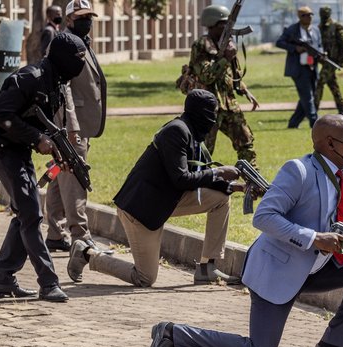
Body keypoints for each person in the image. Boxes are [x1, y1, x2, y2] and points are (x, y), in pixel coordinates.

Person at [148, 114, 343, 347]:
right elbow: (264, 217)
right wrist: (314, 238)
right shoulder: (298, 171)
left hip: (316, 269)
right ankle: (172, 334)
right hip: (277, 271)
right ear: (330, 143)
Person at [67, 89, 243, 287]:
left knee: (220, 199)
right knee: (145, 278)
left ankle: (207, 268)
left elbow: (196, 175)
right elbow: (182, 179)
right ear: (200, 114)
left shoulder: (191, 134)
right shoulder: (176, 131)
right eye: (211, 114)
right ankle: (86, 254)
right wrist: (218, 172)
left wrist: (236, 187)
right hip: (141, 209)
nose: (214, 121)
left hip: (166, 200)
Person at [0, 33, 87, 302]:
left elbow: (45, 124)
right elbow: (1, 115)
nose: (80, 65)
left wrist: (61, 155)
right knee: (31, 213)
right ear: (63, 59)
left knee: (26, 212)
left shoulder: (57, 82)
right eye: (77, 59)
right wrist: (38, 139)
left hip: (18, 148)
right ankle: (48, 282)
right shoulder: (30, 78)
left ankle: (3, 279)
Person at [44, 0, 106, 253]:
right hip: (71, 125)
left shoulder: (82, 42)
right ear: (68, 19)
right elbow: (63, 87)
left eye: (89, 16)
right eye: (81, 17)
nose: (87, 22)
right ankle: (81, 235)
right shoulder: (65, 44)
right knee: (76, 176)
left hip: (77, 123)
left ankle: (55, 234)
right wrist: (71, 128)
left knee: (60, 176)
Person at [187, 5, 258, 167]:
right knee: (203, 150)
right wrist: (225, 57)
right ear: (211, 25)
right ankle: (196, 186)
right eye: (223, 24)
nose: (229, 28)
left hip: (229, 105)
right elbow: (206, 76)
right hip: (208, 108)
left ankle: (253, 184)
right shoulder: (201, 46)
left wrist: (245, 90)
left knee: (246, 143)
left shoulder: (228, 45)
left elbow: (233, 75)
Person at [276, 6, 322, 129]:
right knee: (307, 96)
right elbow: (279, 42)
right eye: (306, 15)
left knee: (307, 96)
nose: (309, 17)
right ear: (300, 17)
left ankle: (293, 123)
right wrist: (295, 48)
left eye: (311, 15)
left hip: (312, 67)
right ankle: (315, 123)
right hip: (298, 68)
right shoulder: (292, 30)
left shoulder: (316, 30)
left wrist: (322, 53)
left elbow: (320, 45)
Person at [315, 6, 343, 116]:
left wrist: (340, 60)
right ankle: (342, 109)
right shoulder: (319, 28)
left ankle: (313, 111)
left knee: (319, 83)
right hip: (325, 61)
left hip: (333, 61)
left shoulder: (336, 26)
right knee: (333, 84)